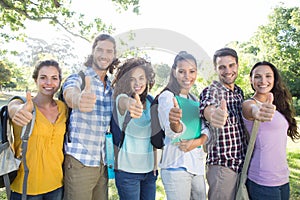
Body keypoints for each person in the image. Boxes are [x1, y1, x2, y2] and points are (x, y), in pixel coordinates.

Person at [62, 34, 119, 200]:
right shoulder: (79, 77)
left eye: (109, 51)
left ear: (113, 56)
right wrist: (78, 100)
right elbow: (70, 92)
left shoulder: (111, 86)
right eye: (100, 49)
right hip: (80, 161)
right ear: (93, 51)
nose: (104, 55)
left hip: (102, 162)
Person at [8, 60, 67, 200]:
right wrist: (17, 111)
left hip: (56, 185)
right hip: (26, 187)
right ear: (35, 80)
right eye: (43, 77)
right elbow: (13, 107)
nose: (49, 82)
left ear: (59, 81)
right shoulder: (24, 105)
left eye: (54, 78)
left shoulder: (63, 108)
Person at [242, 61, 299, 200]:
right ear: (251, 80)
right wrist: (257, 112)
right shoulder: (249, 103)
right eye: (258, 76)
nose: (263, 81)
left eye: (268, 76)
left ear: (274, 79)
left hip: (283, 178)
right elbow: (251, 110)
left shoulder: (276, 105)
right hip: (262, 179)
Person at [157, 51, 209, 200]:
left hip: (197, 166)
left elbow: (206, 129)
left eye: (191, 71)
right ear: (174, 72)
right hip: (176, 165)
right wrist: (175, 123)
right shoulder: (167, 97)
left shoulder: (195, 99)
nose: (187, 76)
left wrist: (198, 141)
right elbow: (171, 132)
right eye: (181, 71)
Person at [199, 47, 248, 200]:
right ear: (216, 69)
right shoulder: (211, 91)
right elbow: (208, 109)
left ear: (238, 65)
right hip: (222, 167)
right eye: (222, 67)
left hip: (241, 165)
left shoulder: (239, 93)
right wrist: (215, 115)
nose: (228, 71)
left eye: (231, 65)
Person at [111, 57, 157, 200]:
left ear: (147, 79)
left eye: (141, 78)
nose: (138, 83)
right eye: (132, 79)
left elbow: (154, 136)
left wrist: (155, 165)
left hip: (150, 172)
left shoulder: (151, 101)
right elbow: (125, 102)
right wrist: (131, 104)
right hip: (127, 172)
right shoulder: (121, 99)